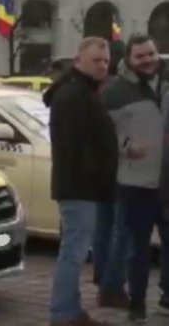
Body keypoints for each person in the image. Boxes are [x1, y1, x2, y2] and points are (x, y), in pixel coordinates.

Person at [43, 37, 118, 326]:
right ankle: (64, 313)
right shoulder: (74, 95)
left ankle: (70, 310)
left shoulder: (84, 91)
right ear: (79, 61)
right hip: (79, 188)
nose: (102, 66)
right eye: (96, 60)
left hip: (83, 186)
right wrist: (96, 175)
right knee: (73, 254)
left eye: (105, 61)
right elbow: (74, 146)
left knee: (74, 252)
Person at [104, 35, 169, 322]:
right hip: (135, 184)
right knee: (137, 250)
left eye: (151, 54)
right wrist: (126, 146)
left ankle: (167, 300)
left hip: (167, 182)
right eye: (140, 56)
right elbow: (104, 132)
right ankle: (137, 306)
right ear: (129, 59)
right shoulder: (116, 90)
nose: (147, 60)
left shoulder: (166, 85)